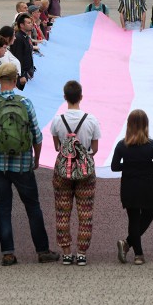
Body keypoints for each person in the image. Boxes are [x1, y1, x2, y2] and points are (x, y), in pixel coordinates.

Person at [0, 63, 59, 266]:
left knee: (3, 209)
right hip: (23, 164)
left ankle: (8, 253)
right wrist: (36, 159)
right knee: (33, 207)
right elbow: (37, 136)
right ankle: (42, 250)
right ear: (15, 80)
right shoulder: (25, 103)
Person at [50, 81, 101, 266]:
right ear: (81, 96)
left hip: (63, 172)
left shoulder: (57, 120)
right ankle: (81, 253)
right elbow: (94, 149)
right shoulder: (91, 120)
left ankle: (65, 252)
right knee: (85, 212)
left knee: (62, 212)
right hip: (85, 172)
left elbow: (57, 147)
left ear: (65, 97)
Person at [111, 110, 153, 265]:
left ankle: (136, 252)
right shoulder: (151, 145)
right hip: (146, 186)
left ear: (128, 125)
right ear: (146, 125)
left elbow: (114, 167)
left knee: (133, 218)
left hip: (128, 185)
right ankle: (131, 247)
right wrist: (147, 164)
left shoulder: (122, 145)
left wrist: (128, 165)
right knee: (149, 214)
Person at [10, 13, 35, 89]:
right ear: (21, 25)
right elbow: (18, 57)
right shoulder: (19, 38)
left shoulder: (25, 36)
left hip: (27, 72)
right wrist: (22, 75)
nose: (31, 24)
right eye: (28, 23)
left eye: (31, 22)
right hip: (22, 75)